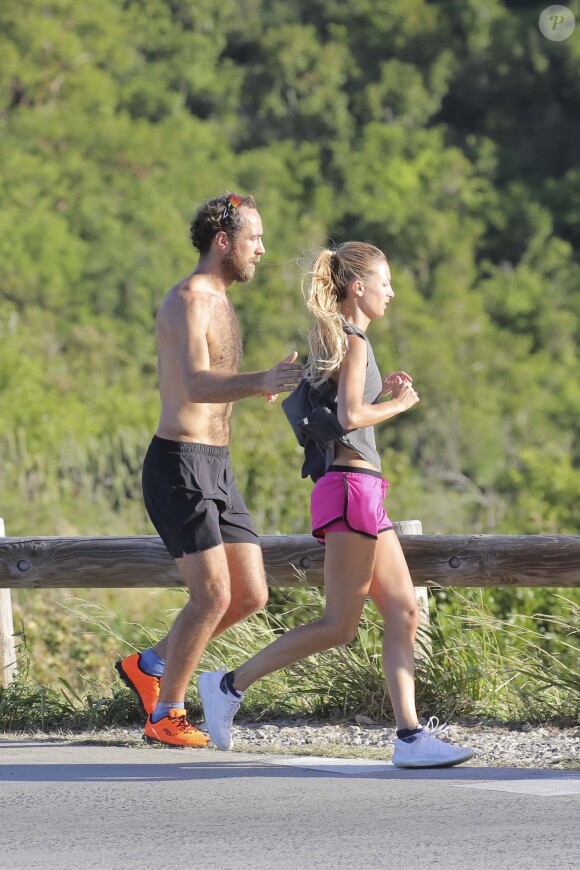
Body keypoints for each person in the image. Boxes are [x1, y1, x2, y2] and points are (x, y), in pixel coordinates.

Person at [198, 241, 475, 768]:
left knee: (404, 610)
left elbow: (338, 411)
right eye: (385, 282)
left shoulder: (343, 341)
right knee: (338, 625)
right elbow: (349, 416)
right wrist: (396, 405)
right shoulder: (354, 342)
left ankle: (410, 737)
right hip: (351, 491)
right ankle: (228, 685)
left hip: (361, 492)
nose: (392, 292)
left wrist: (379, 396)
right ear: (358, 287)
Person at [115, 193, 303, 747]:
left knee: (250, 595)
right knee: (213, 595)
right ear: (224, 241)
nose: (262, 249)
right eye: (254, 239)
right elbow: (194, 384)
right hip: (178, 465)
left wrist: (257, 385)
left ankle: (149, 665)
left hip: (216, 466)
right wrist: (260, 381)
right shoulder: (189, 299)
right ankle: (166, 713)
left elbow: (214, 386)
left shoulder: (221, 300)